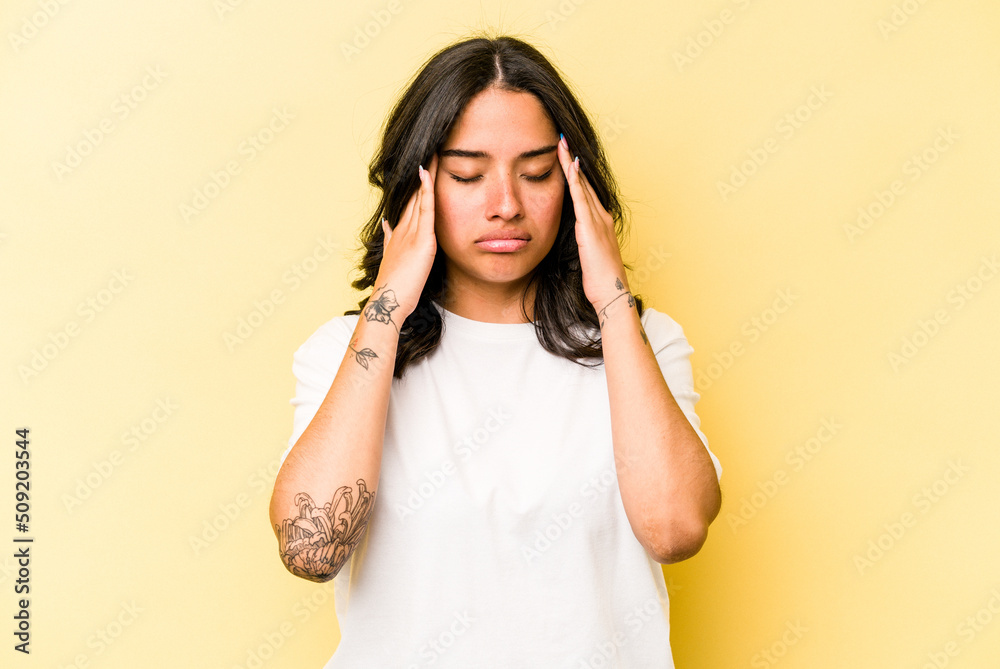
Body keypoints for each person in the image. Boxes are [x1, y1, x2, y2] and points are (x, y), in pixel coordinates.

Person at [268, 33, 723, 668]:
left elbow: (675, 531)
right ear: (417, 187)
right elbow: (312, 550)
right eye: (467, 174)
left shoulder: (643, 345)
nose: (505, 205)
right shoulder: (343, 354)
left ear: (575, 187)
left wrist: (613, 300)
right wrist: (385, 308)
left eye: (536, 173)